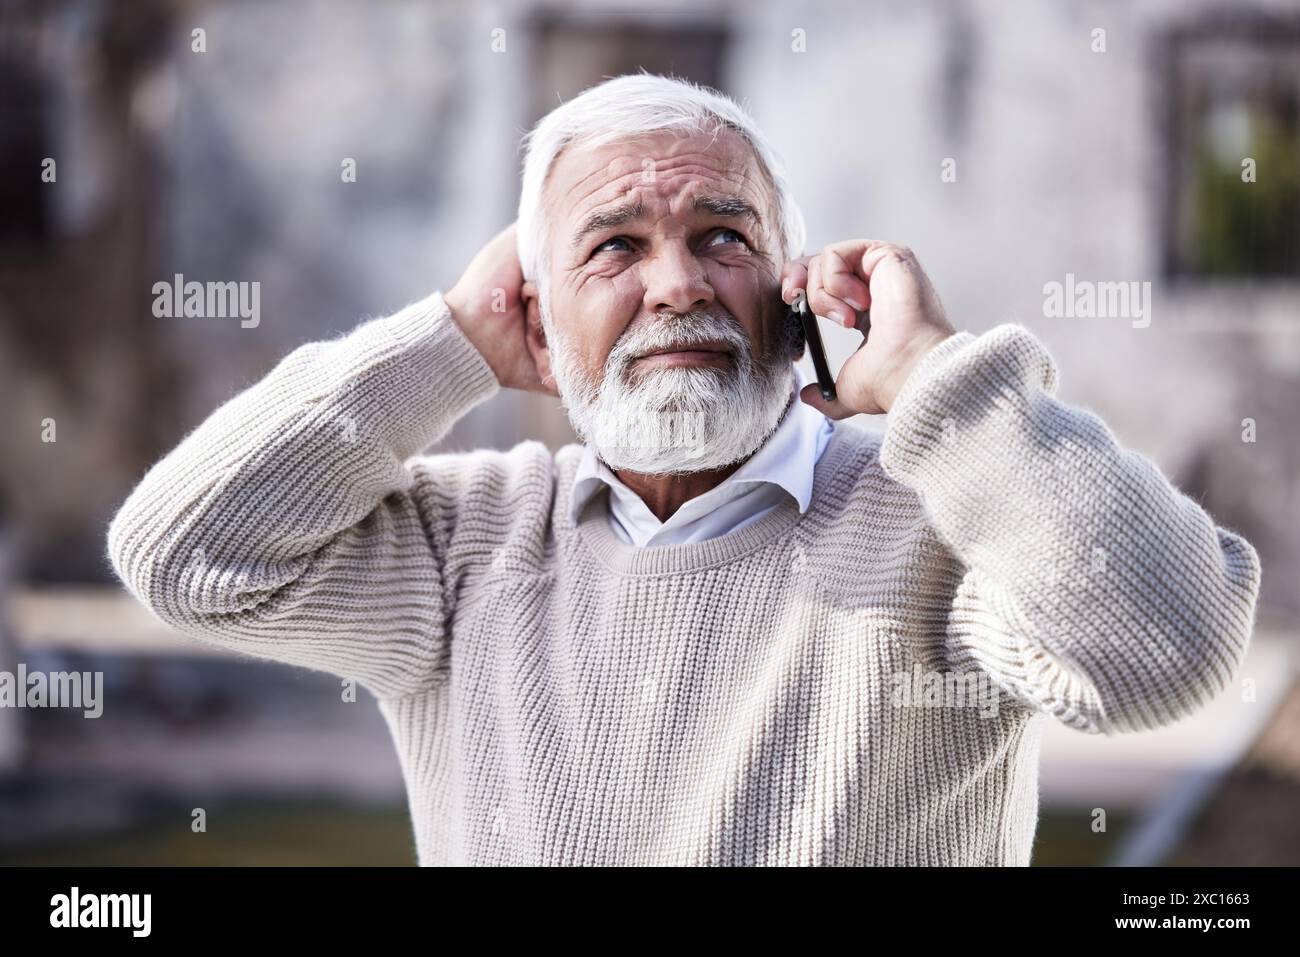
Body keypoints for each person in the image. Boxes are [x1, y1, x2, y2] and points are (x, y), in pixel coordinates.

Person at [107, 74, 1261, 865]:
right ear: (538, 319)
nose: (677, 284)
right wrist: (448, 343)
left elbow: (1165, 651)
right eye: (613, 246)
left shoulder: (943, 520)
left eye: (724, 236)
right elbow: (181, 555)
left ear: (795, 284)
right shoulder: (464, 544)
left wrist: (932, 379)